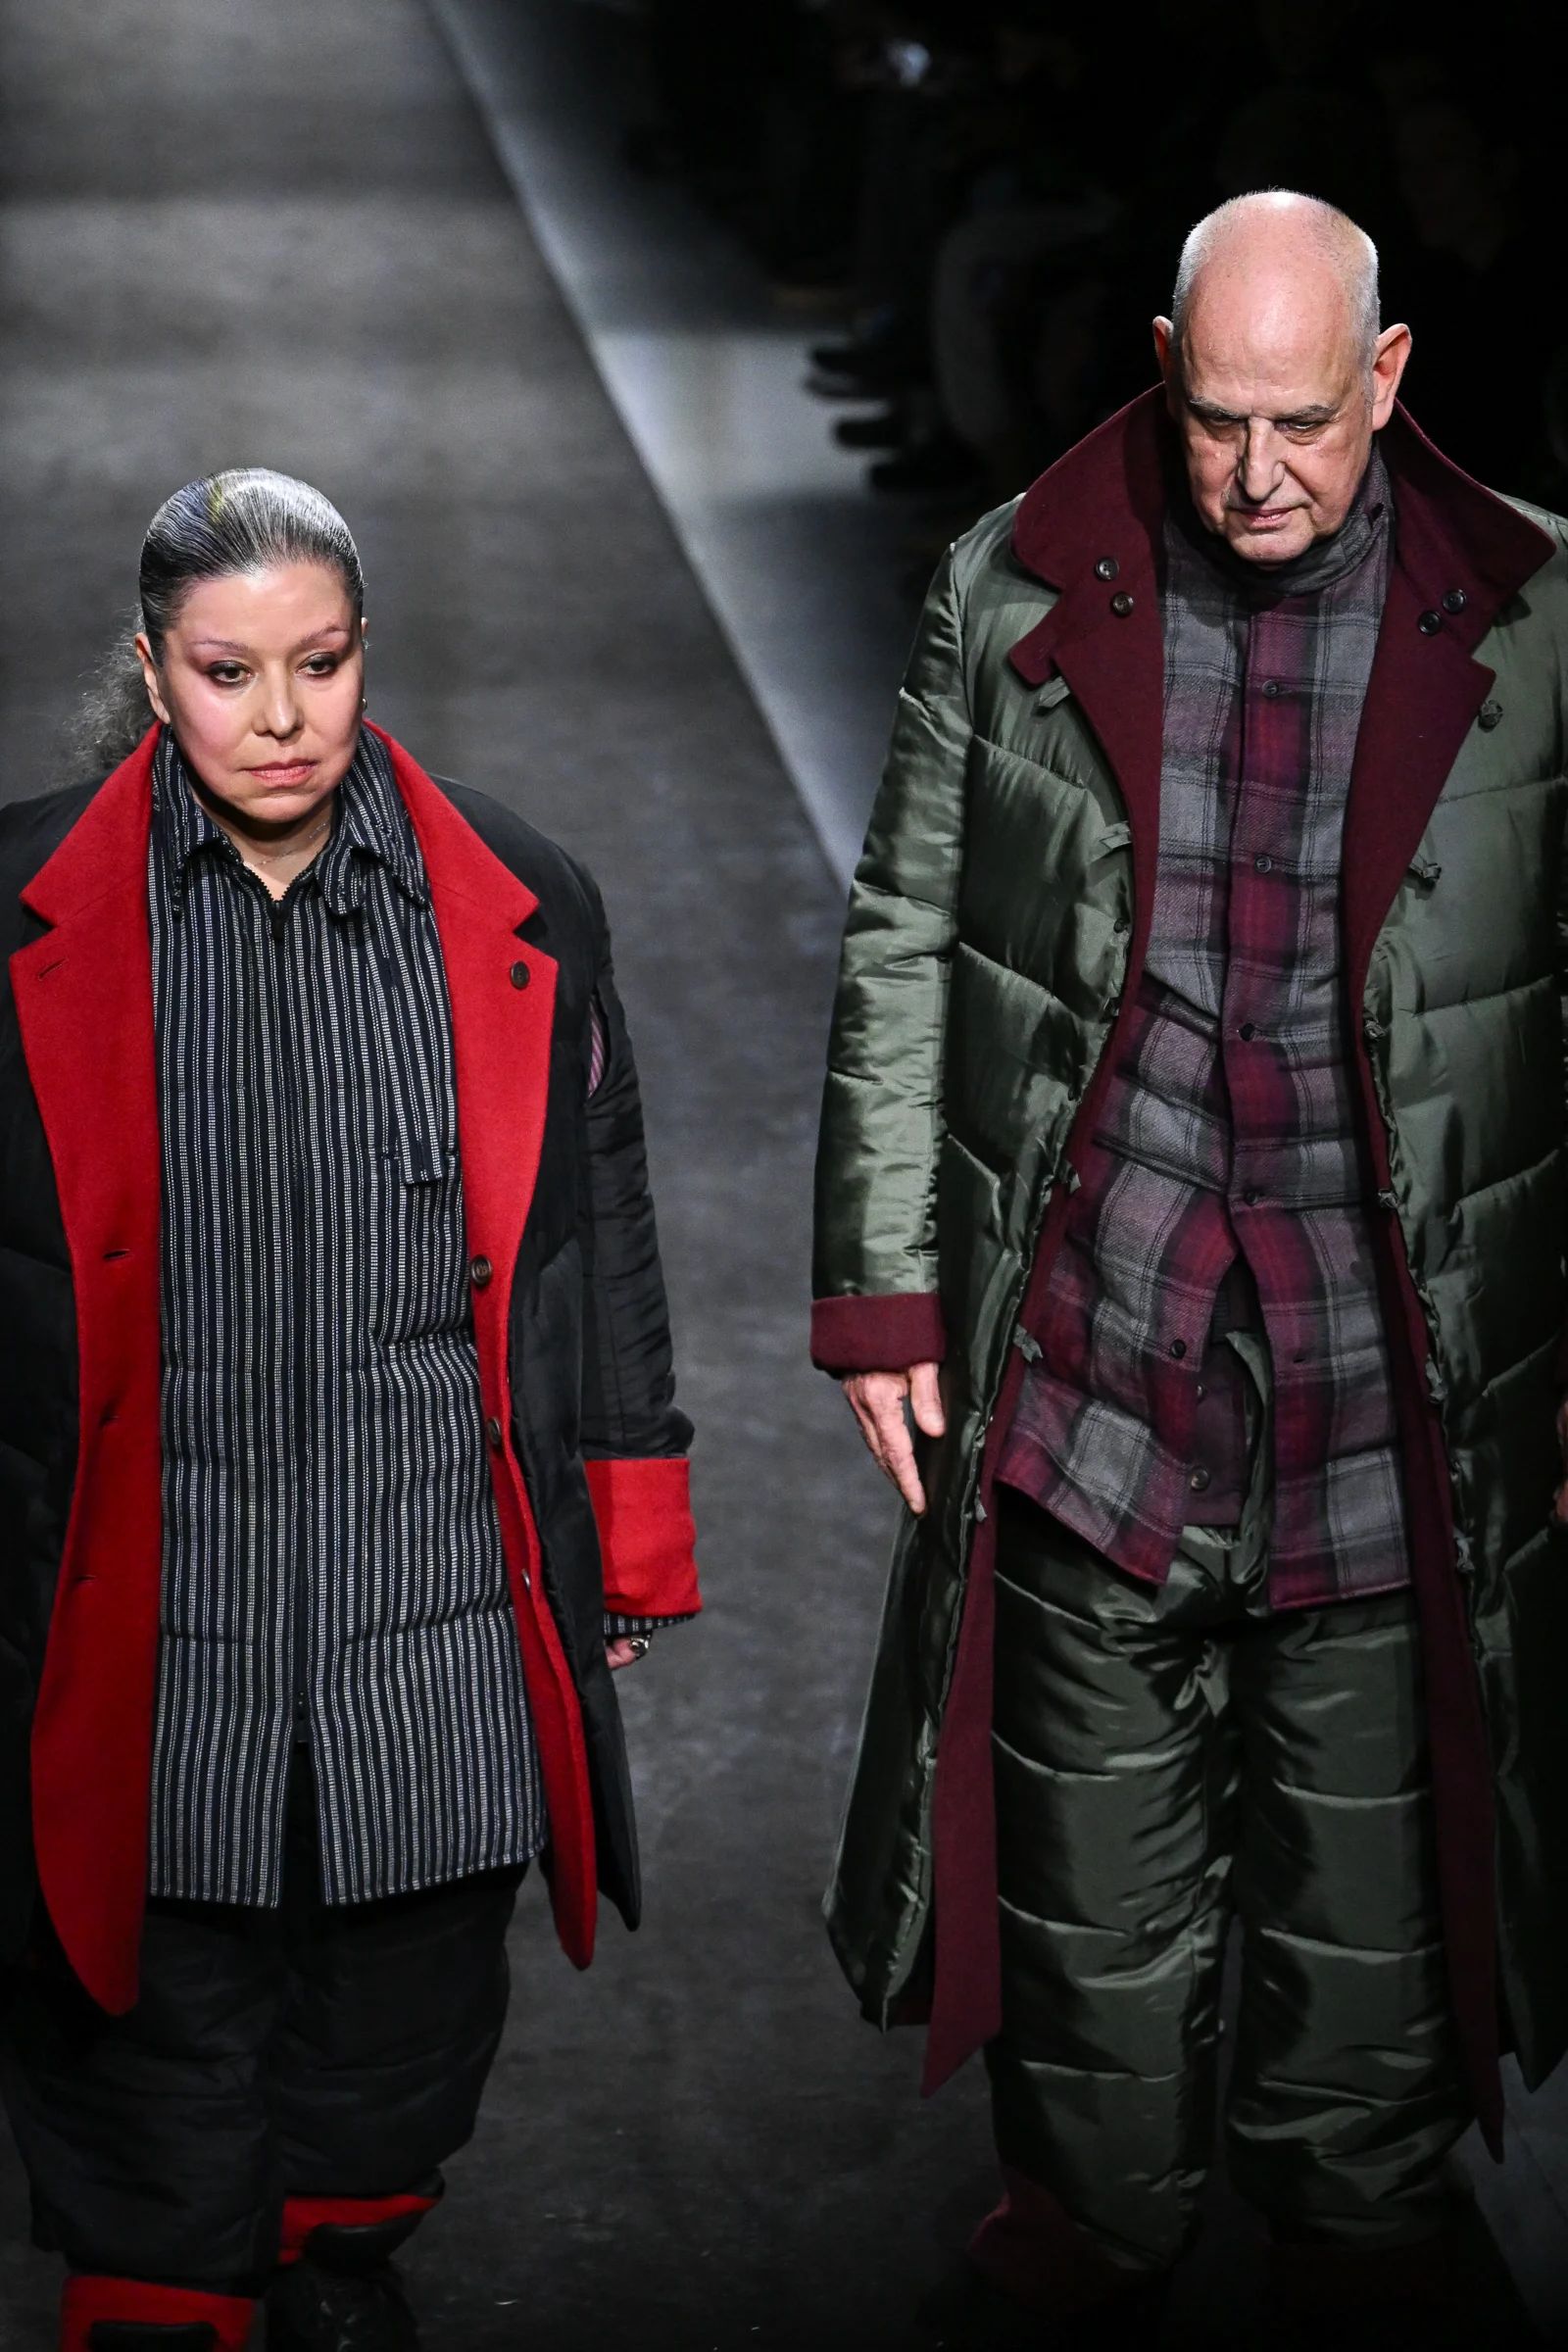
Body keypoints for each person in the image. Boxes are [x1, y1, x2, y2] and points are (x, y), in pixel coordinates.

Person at [811, 190, 1568, 2340]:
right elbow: (904, 926)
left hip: (1386, 1380)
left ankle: (1358, 2225)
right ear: (1159, 366)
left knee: (1371, 1910)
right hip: (1097, 1359)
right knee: (1085, 1895)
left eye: (1301, 422)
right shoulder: (1016, 582)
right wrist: (880, 1289)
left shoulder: (1532, 621)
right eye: (1218, 415)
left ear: (1386, 379)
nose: (1254, 472)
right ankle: (1091, 2227)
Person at [0, 469, 700, 2352]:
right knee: (140, 2048)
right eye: (228, 672)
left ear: (366, 650)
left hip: (437, 1607)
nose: (282, 717)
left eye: (319, 663)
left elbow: (598, 1224)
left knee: (402, 2036)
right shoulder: (24, 918)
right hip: (147, 1611)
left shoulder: (518, 898)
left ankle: (336, 2261)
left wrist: (632, 1524)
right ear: (153, 670)